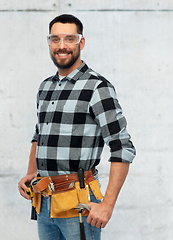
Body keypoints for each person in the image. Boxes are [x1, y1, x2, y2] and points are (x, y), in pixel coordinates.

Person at [18, 14, 136, 240]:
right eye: (55, 39)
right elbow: (39, 135)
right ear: (49, 43)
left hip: (79, 202)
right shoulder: (46, 87)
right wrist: (31, 172)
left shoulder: (97, 87)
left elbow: (122, 147)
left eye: (69, 39)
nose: (61, 46)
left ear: (81, 43)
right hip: (44, 203)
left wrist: (108, 205)